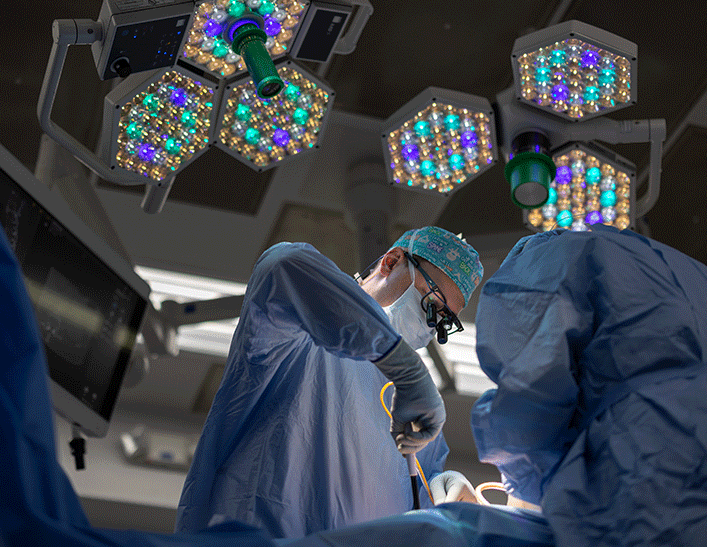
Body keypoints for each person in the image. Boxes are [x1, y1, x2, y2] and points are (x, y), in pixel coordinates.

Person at [176, 227, 484, 538]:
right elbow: (284, 262)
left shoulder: (410, 400)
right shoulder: (298, 327)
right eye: (432, 305)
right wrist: (404, 367)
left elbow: (416, 480)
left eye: (444, 322)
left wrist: (442, 483)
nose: (432, 327)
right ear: (391, 262)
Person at [470, 224, 707, 546]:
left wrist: (523, 491)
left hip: (660, 450)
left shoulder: (548, 261)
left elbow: (531, 392)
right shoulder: (681, 272)